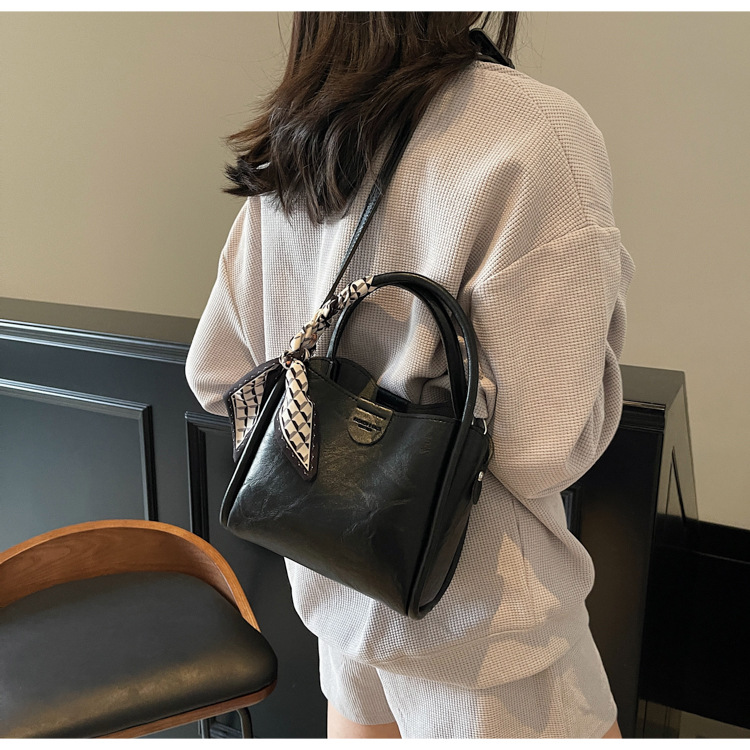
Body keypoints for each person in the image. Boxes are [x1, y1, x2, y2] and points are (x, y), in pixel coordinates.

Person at [185, 11, 635, 740]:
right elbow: (539, 452)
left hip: (343, 603)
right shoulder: (539, 134)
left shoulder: (302, 131)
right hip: (488, 645)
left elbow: (216, 374)